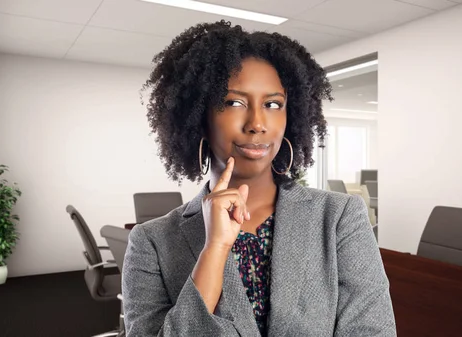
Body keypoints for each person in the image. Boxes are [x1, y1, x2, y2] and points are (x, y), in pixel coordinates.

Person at [122, 20, 396, 337]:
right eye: (234, 102)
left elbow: (372, 331)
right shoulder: (151, 242)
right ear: (198, 117)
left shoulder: (339, 218)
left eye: (272, 104)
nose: (257, 123)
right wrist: (214, 249)